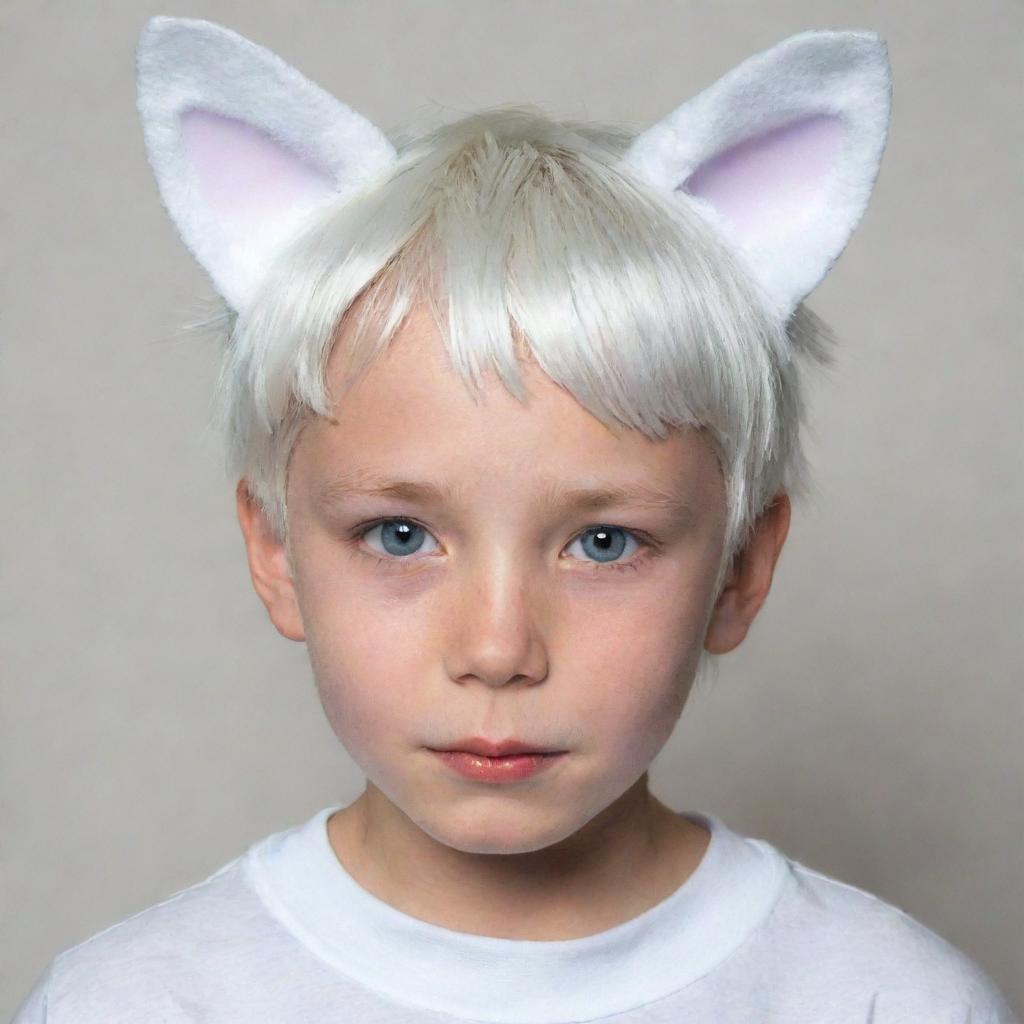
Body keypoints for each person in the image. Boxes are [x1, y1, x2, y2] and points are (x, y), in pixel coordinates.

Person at [12, 15, 1019, 1023]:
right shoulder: (138, 1003)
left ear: (741, 567)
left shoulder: (887, 1000)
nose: (497, 650)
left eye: (602, 542)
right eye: (399, 535)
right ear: (274, 550)